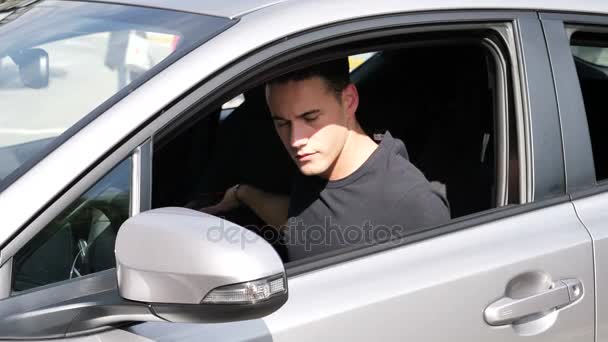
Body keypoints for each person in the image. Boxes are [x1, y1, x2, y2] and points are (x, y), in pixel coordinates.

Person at [202, 57, 450, 261]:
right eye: (282, 123)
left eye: (310, 118)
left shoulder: (413, 205)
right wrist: (242, 194)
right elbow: (306, 226)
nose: (295, 140)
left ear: (349, 101)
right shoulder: (318, 163)